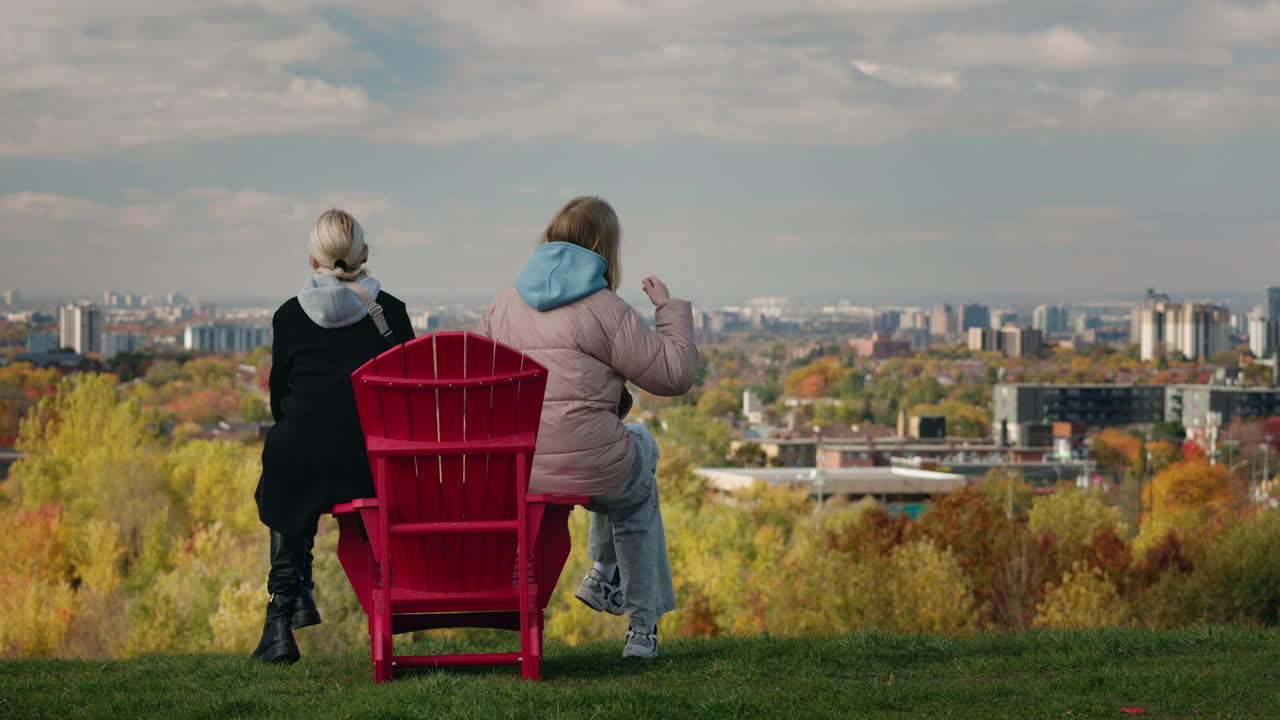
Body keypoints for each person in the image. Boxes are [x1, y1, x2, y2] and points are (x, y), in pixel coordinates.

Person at [477, 196, 698, 659]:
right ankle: (639, 624)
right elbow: (674, 375)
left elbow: (482, 388)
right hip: (596, 466)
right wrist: (666, 308)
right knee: (636, 462)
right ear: (603, 247)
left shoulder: (501, 306)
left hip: (523, 470)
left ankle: (604, 576)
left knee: (611, 449)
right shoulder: (605, 308)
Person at [252, 208, 413, 664]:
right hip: (367, 459)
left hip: (300, 454)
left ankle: (281, 617)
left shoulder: (288, 315)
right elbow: (405, 397)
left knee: (286, 469)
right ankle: (365, 627)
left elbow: (280, 393)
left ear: (312, 259)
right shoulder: (392, 313)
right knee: (305, 466)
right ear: (363, 254)